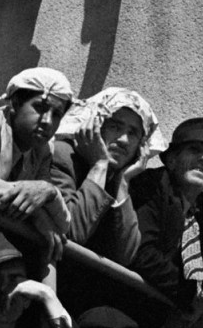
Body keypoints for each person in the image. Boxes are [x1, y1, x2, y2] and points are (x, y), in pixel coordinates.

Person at [133, 118, 203, 319]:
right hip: (121, 304)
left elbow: (193, 276)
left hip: (158, 321)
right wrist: (190, 293)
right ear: (172, 161)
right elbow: (141, 253)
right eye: (194, 150)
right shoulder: (151, 185)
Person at [52, 88, 165, 266]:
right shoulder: (63, 156)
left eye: (133, 133)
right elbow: (71, 232)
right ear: (94, 125)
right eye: (115, 126)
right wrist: (99, 166)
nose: (124, 140)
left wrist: (123, 184)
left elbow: (125, 255)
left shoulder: (122, 178)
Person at [0, 67, 74, 259]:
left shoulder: (42, 150)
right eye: (40, 108)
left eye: (57, 114)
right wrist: (36, 214)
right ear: (15, 103)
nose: (47, 121)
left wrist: (49, 191)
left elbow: (62, 224)